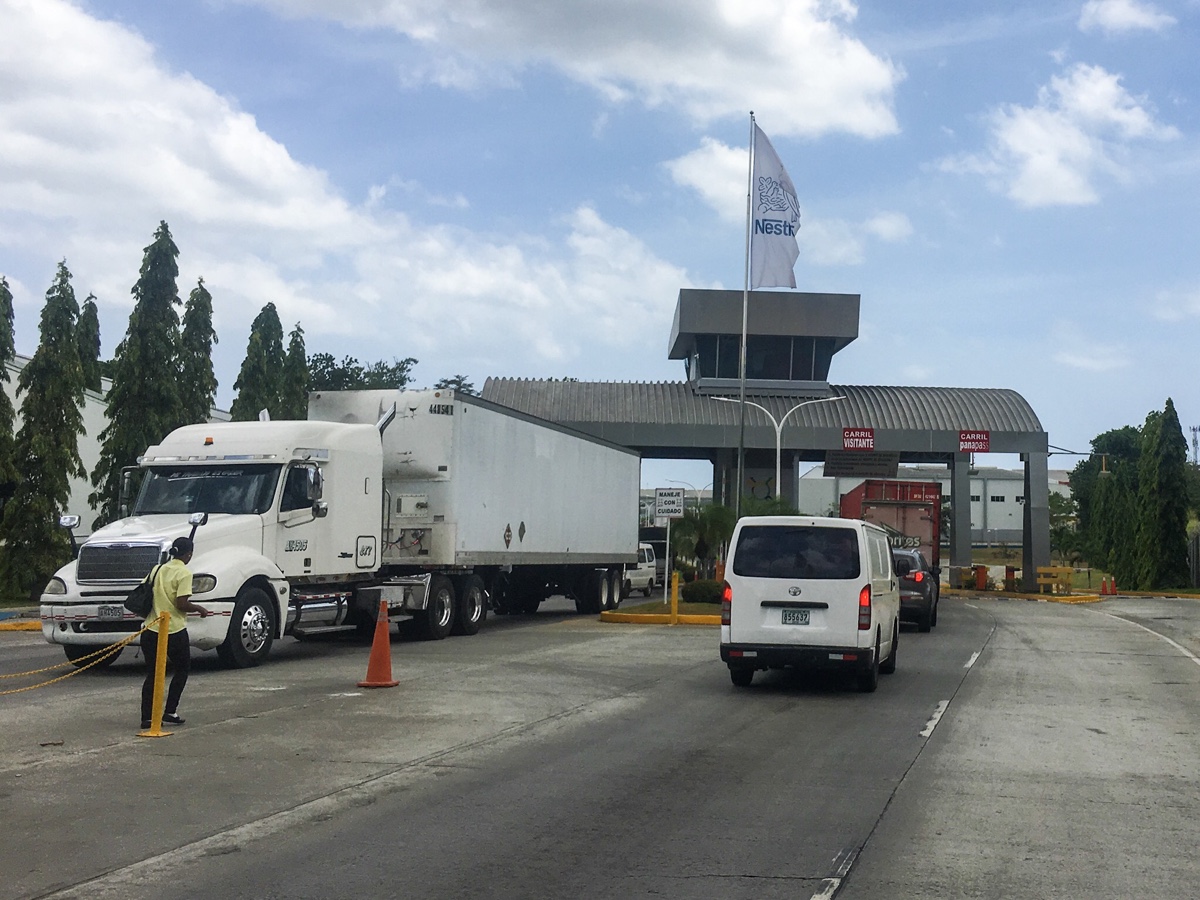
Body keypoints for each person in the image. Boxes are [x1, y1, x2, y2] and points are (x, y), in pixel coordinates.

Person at [140, 536, 210, 729]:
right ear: (189, 554)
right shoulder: (184, 573)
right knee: (182, 668)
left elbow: (145, 590)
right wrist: (199, 608)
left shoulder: (157, 569)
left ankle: (147, 717)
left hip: (151, 627)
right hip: (173, 629)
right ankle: (170, 711)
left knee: (153, 673)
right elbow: (181, 603)